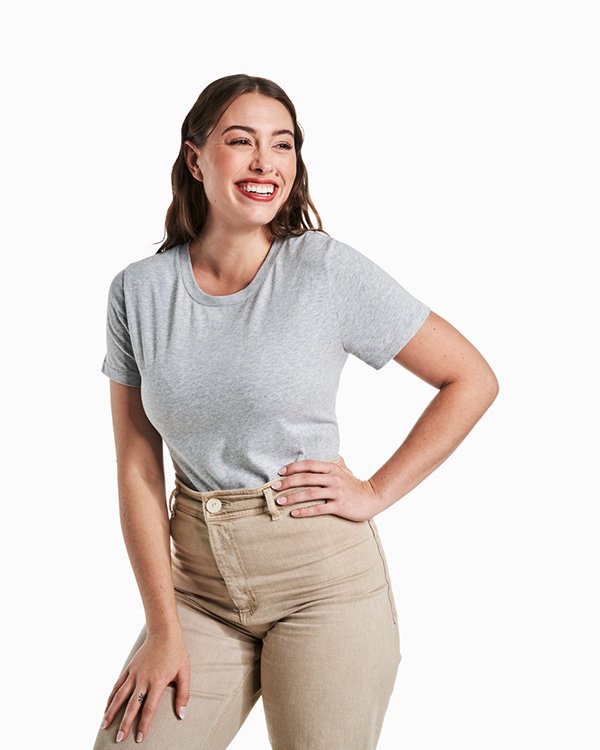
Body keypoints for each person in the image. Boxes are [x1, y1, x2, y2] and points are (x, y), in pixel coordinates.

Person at [92, 74, 499, 749]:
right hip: (197, 592)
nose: (265, 163)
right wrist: (163, 629)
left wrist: (375, 491)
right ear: (195, 158)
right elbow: (137, 469)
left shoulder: (324, 270)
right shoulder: (139, 291)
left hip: (324, 586)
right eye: (240, 141)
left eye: (282, 144)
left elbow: (470, 378)